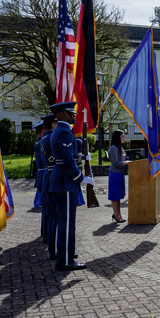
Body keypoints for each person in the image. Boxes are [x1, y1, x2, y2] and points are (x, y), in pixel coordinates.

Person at [48, 102, 94, 271]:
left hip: (61, 181)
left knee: (64, 223)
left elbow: (68, 157)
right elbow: (66, 161)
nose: (74, 116)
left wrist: (81, 157)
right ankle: (65, 261)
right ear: (62, 115)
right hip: (65, 182)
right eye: (70, 113)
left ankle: (65, 257)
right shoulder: (64, 132)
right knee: (67, 224)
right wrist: (81, 178)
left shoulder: (60, 131)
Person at [40, 114, 58, 259]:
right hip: (54, 176)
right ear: (53, 124)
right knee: (56, 215)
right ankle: (55, 248)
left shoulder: (44, 138)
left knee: (51, 215)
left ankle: (53, 245)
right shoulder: (52, 137)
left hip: (47, 175)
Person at [109, 130, 130, 223]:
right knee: (115, 196)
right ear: (118, 137)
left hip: (120, 174)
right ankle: (116, 215)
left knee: (119, 196)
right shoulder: (113, 148)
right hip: (115, 174)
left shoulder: (120, 148)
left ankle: (118, 215)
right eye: (122, 136)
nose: (124, 138)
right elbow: (116, 163)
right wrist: (127, 163)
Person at [33, 121, 45, 211]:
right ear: (42, 130)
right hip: (43, 169)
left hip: (41, 170)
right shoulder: (41, 143)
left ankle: (39, 202)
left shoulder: (38, 142)